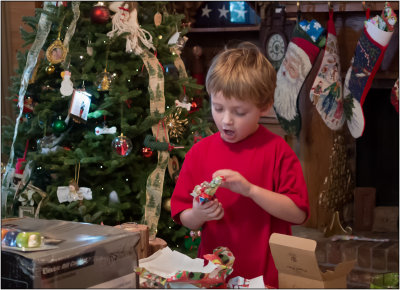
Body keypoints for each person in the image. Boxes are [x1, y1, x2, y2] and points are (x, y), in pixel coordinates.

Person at [170, 42, 309, 288]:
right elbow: (185, 217)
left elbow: (297, 213)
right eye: (218, 107)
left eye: (240, 112)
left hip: (267, 279)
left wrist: (250, 190)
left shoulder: (278, 151)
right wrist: (198, 214)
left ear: (264, 107)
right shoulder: (199, 153)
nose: (226, 120)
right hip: (215, 278)